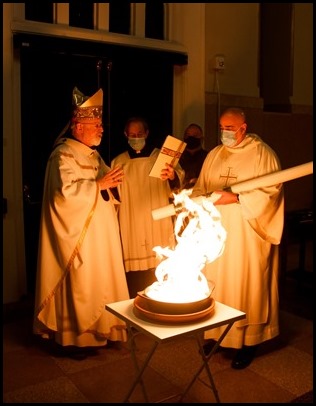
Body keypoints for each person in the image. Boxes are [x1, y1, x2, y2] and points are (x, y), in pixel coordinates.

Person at [33, 86, 130, 360]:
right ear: (77, 126)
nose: (101, 129)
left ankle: (104, 331)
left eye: (100, 123)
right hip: (78, 237)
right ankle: (76, 338)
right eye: (95, 124)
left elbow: (109, 189)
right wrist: (98, 184)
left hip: (102, 235)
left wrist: (113, 184)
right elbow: (62, 195)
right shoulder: (62, 155)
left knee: (101, 280)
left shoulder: (94, 155)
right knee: (82, 283)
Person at [192, 107, 284, 369]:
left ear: (243, 128)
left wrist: (237, 197)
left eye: (229, 129)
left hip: (247, 235)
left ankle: (248, 342)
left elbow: (271, 193)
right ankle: (219, 335)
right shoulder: (215, 154)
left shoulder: (263, 154)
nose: (224, 133)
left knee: (246, 286)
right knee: (219, 284)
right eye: (221, 128)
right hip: (216, 233)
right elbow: (201, 188)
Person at [111, 116, 185, 298]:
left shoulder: (162, 158)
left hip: (157, 222)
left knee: (159, 271)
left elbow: (178, 185)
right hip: (131, 223)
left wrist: (172, 176)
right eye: (132, 134)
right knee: (135, 280)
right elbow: (113, 197)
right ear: (126, 135)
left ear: (147, 133)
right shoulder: (118, 162)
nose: (136, 138)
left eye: (140, 134)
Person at [179, 123, 209, 189]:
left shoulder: (208, 157)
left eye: (195, 135)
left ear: (201, 139)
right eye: (188, 135)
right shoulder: (177, 157)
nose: (191, 138)